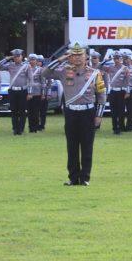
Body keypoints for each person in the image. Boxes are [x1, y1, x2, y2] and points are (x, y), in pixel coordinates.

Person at [42, 43, 106, 186]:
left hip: (88, 112)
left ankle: (85, 178)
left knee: (87, 146)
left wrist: (99, 115)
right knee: (72, 146)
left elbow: (102, 95)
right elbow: (44, 73)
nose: (77, 57)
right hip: (71, 112)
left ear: (86, 56)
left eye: (80, 55)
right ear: (70, 57)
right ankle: (73, 177)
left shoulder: (95, 73)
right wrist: (60, 59)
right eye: (74, 55)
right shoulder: (64, 71)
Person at [0, 49, 31, 135]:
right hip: (13, 91)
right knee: (14, 110)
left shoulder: (26, 66)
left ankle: (21, 129)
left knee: (22, 111)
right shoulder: (10, 65)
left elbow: (30, 79)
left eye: (18, 56)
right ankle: (15, 129)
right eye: (15, 56)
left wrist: (30, 92)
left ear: (21, 57)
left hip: (23, 90)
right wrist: (7, 58)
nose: (16, 58)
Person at [102, 50, 132, 135]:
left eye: (118, 58)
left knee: (121, 111)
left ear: (121, 59)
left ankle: (120, 128)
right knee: (113, 111)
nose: (116, 60)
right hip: (113, 91)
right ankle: (115, 128)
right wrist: (106, 60)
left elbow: (128, 81)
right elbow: (99, 66)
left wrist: (128, 92)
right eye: (115, 58)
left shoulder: (125, 68)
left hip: (121, 92)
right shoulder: (110, 67)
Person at [27, 54, 44, 133]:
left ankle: (36, 127)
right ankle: (31, 128)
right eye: (31, 60)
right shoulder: (26, 69)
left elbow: (43, 82)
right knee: (29, 111)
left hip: (37, 92)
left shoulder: (40, 70)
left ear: (36, 61)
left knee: (36, 111)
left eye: (34, 60)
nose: (32, 61)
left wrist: (43, 93)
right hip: (28, 92)